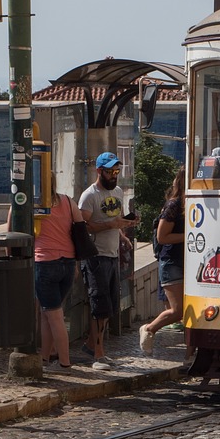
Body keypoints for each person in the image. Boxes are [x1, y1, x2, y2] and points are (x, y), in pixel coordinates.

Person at [78, 151, 136, 370]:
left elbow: (114, 220)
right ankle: (98, 355)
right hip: (96, 256)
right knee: (99, 305)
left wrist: (123, 231)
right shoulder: (89, 196)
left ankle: (92, 345)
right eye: (110, 171)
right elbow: (83, 227)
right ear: (99, 171)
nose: (114, 175)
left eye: (116, 171)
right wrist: (111, 226)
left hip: (112, 254)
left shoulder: (118, 192)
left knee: (109, 305)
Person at [140, 168, 186, 356]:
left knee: (188, 310)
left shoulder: (188, 204)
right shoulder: (173, 205)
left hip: (186, 260)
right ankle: (149, 329)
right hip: (171, 261)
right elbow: (162, 237)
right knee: (177, 311)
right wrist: (188, 235)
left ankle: (190, 354)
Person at [33, 187, 78, 371]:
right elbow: (81, 226)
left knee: (55, 316)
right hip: (68, 262)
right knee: (48, 314)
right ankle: (45, 358)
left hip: (45, 262)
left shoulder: (30, 203)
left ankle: (64, 363)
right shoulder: (68, 201)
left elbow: (13, 228)